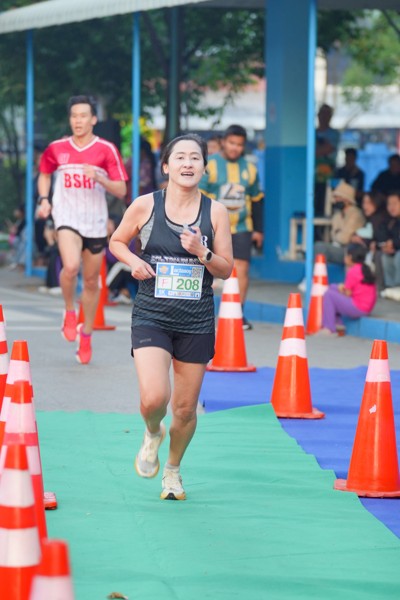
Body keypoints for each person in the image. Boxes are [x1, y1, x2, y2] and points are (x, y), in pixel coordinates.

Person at [109, 133, 233, 501]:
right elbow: (117, 241)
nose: (187, 163)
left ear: (204, 168)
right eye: (180, 157)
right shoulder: (146, 205)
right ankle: (152, 432)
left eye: (195, 158)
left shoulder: (216, 212)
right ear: (166, 166)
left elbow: (226, 269)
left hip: (196, 319)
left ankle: (173, 470)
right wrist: (134, 262)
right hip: (152, 313)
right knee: (154, 398)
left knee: (184, 407)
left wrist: (202, 252)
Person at [36, 94, 128, 364]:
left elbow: (121, 189)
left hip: (95, 222)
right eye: (74, 116)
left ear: (93, 119)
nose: (78, 121)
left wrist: (99, 177)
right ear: (70, 119)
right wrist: (44, 200)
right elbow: (44, 173)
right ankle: (69, 310)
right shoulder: (56, 148)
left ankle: (86, 334)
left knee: (90, 281)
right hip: (66, 218)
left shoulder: (106, 150)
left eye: (83, 116)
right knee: (71, 266)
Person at [199, 124, 264, 329]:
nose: (235, 148)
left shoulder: (250, 169)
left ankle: (238, 312)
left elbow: (257, 199)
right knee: (205, 268)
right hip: (213, 227)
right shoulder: (210, 165)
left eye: (239, 144)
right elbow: (199, 197)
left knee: (241, 269)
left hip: (242, 226)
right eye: (231, 143)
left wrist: (259, 230)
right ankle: (201, 312)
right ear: (223, 142)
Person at [319, 243, 377, 335]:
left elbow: (347, 293)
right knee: (333, 290)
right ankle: (338, 323)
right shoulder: (365, 269)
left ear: (350, 257)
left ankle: (329, 328)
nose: (344, 257)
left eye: (346, 255)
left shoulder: (353, 271)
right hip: (367, 308)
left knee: (329, 294)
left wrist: (339, 288)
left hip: (359, 307)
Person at [314, 181, 365, 264]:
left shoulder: (356, 214)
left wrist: (340, 234)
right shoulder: (337, 215)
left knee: (320, 247)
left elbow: (344, 238)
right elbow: (333, 234)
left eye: (338, 197)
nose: (336, 200)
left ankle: (317, 272)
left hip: (351, 251)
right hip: (338, 247)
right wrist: (341, 235)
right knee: (317, 247)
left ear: (347, 199)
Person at [314, 104, 340, 219]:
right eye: (322, 114)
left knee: (325, 201)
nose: (323, 117)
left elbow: (327, 149)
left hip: (328, 175)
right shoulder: (312, 133)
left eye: (327, 114)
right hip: (313, 175)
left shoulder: (334, 134)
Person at [376, 191, 400, 299]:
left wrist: (394, 244)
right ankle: (390, 287)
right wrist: (385, 245)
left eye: (395, 203)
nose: (391, 207)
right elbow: (381, 233)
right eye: (389, 204)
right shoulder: (392, 221)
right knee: (384, 256)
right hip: (395, 250)